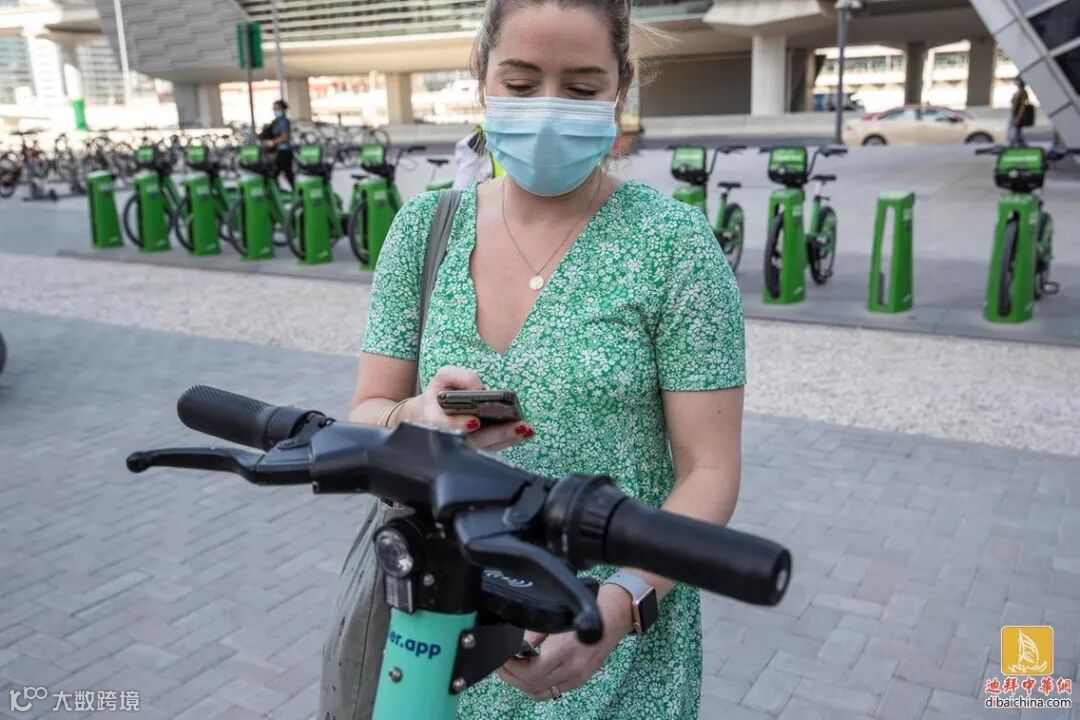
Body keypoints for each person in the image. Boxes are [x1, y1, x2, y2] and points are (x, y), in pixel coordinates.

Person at [349, 1, 745, 718]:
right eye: (522, 83)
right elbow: (367, 414)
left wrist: (619, 606)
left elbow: (710, 472)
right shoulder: (423, 232)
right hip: (443, 634)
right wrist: (419, 417)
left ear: (622, 87)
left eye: (582, 87)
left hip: (614, 655)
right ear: (480, 74)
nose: (549, 109)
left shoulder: (675, 247)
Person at [262, 99, 294, 189]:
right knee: (283, 173)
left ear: (283, 109)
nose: (275, 111)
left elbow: (285, 137)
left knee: (275, 172)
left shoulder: (283, 121)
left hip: (284, 152)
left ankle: (276, 191)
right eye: (274, 108)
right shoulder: (276, 121)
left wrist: (272, 142)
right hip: (278, 152)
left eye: (278, 108)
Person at [1008, 78, 1031, 147]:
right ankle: (1019, 144)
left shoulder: (1023, 93)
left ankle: (1014, 144)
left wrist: (1018, 118)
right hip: (1014, 114)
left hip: (1018, 115)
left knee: (1015, 131)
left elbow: (1022, 107)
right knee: (1016, 131)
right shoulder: (1017, 92)